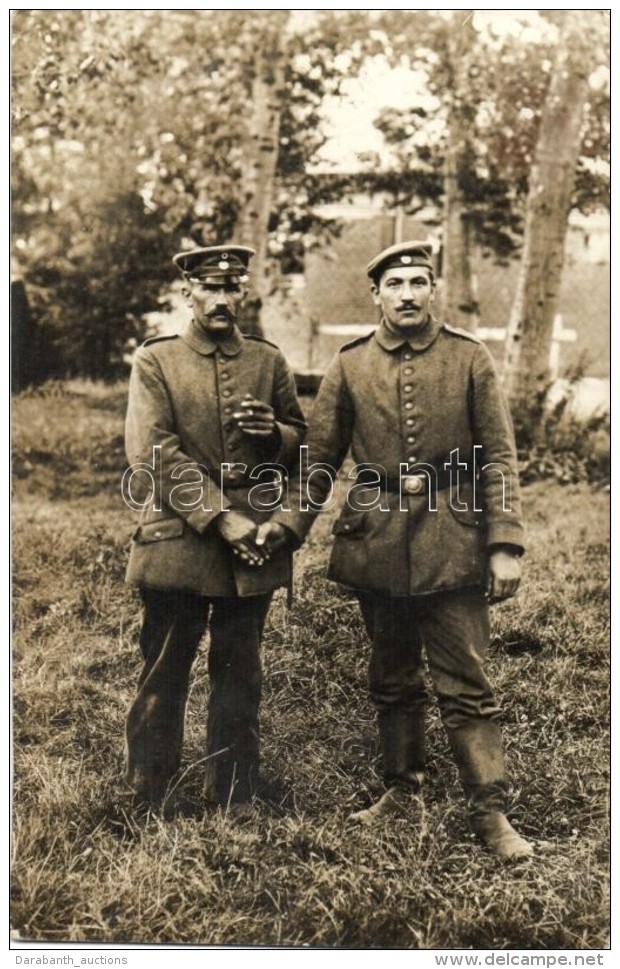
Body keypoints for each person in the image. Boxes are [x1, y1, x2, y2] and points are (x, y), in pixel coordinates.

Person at [263, 240, 533, 860]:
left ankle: (490, 812)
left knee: (466, 681)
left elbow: (499, 458)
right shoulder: (351, 364)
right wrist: (288, 526)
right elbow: (321, 460)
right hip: (377, 542)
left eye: (418, 281)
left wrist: (504, 544)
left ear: (432, 289)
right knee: (391, 676)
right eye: (396, 284)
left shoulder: (470, 357)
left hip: (454, 541)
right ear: (377, 295)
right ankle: (402, 789)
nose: (408, 293)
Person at [123, 244, 306, 811]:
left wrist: (273, 433)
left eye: (232, 289)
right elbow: (152, 451)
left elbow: (300, 444)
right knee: (166, 661)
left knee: (240, 667)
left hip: (253, 539)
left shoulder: (269, 361)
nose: (222, 300)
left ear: (244, 294)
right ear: (189, 294)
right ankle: (151, 789)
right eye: (211, 289)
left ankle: (234, 789)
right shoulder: (157, 361)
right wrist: (217, 515)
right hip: (181, 534)